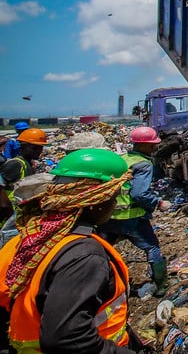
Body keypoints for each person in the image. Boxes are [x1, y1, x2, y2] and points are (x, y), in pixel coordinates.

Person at [0, 148, 139, 353]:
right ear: (95, 201)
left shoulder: (26, 238)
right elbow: (67, 338)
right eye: (113, 196)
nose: (115, 203)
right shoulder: (84, 256)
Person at [97, 127, 171, 296]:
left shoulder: (123, 159)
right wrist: (158, 203)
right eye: (152, 145)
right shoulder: (144, 164)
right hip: (132, 217)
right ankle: (161, 286)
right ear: (142, 145)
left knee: (104, 251)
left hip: (110, 216)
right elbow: (139, 194)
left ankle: (106, 287)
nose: (155, 147)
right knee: (152, 247)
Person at [0, 128, 48, 223]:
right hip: (9, 219)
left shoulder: (28, 164)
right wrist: (11, 217)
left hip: (21, 216)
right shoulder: (15, 164)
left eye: (41, 147)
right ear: (22, 146)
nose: (39, 150)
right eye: (34, 148)